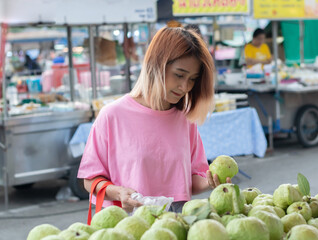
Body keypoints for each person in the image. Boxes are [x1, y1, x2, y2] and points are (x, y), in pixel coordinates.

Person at [77, 27, 232, 213]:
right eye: (179, 75)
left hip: (177, 223)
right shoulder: (112, 115)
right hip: (128, 222)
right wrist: (119, 193)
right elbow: (90, 180)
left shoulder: (185, 120)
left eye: (192, 79)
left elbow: (191, 179)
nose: (185, 86)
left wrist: (210, 182)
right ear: (157, 64)